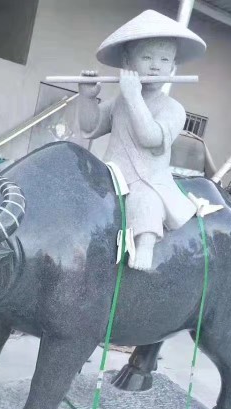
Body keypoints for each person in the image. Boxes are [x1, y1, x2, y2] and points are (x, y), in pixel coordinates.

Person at [78, 10, 207, 271]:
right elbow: (90, 128)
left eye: (164, 59)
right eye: (147, 57)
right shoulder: (120, 101)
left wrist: (134, 97)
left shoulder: (172, 108)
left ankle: (145, 247)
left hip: (146, 179)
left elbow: (150, 137)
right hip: (112, 174)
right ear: (127, 62)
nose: (155, 66)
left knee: (145, 200)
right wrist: (87, 98)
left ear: (172, 67)